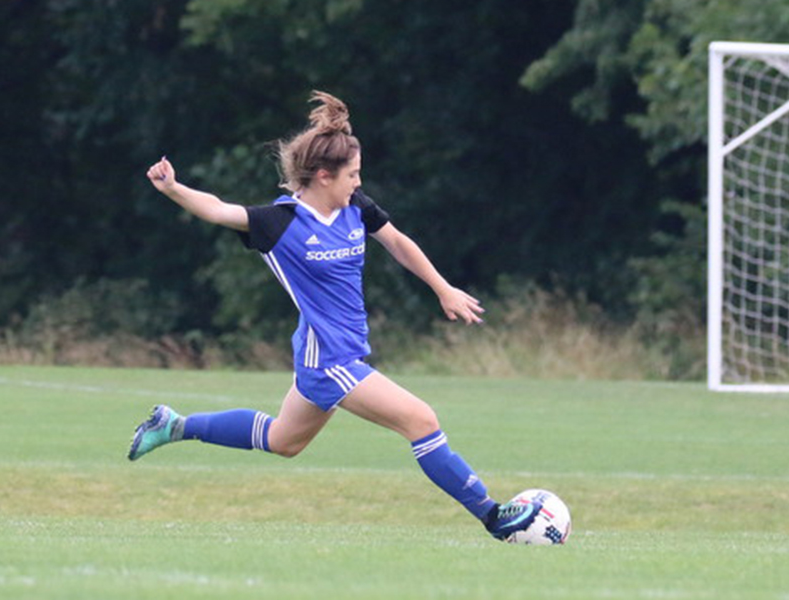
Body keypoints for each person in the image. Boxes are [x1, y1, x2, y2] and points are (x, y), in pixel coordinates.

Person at [128, 91, 535, 541]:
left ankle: (176, 425)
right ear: (324, 176)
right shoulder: (279, 223)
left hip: (333, 350)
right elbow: (221, 210)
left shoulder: (355, 208)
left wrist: (443, 288)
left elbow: (398, 242)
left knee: (284, 441)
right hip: (329, 359)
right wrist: (172, 188)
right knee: (421, 421)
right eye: (352, 175)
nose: (358, 183)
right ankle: (494, 517)